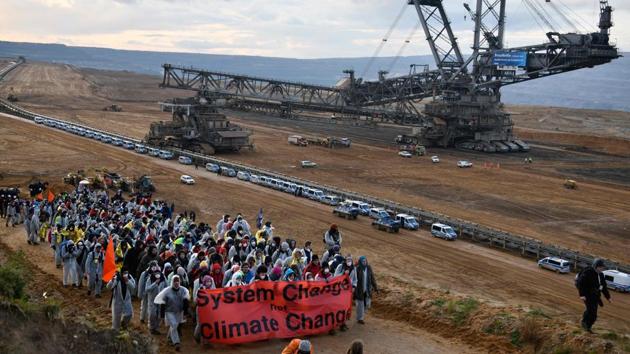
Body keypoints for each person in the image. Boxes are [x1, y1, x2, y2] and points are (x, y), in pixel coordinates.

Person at [155, 275, 190, 351]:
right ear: (172, 282)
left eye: (178, 281)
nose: (176, 283)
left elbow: (186, 302)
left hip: (179, 311)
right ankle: (176, 343)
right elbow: (163, 304)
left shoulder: (183, 290)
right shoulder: (167, 291)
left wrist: (185, 313)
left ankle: (169, 339)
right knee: (174, 325)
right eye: (175, 281)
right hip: (169, 312)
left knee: (174, 326)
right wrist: (161, 316)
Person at [577, 258, 612, 333]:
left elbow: (603, 287)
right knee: (591, 311)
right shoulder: (588, 272)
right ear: (596, 266)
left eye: (603, 267)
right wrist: (582, 294)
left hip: (595, 296)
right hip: (587, 295)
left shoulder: (601, 275)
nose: (603, 268)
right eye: (601, 267)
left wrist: (608, 297)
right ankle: (585, 324)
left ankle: (588, 326)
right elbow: (581, 283)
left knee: (593, 314)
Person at [351, 256, 378, 324]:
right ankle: (360, 319)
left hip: (367, 289)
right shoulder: (357, 269)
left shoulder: (369, 268)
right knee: (360, 305)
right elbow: (353, 279)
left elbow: (372, 278)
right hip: (359, 290)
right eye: (363, 261)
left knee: (368, 304)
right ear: (360, 262)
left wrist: (375, 287)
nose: (364, 262)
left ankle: (362, 313)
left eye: (365, 261)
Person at [145, 264, 167, 334]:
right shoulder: (150, 279)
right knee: (152, 314)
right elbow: (147, 289)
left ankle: (156, 329)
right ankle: (151, 327)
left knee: (158, 315)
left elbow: (167, 287)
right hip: (152, 299)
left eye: (158, 273)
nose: (157, 274)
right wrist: (155, 283)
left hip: (160, 300)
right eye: (156, 273)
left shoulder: (163, 279)